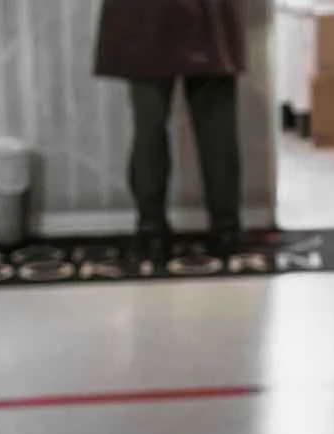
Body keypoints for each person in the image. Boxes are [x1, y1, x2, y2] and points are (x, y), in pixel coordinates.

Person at [93, 0, 246, 258]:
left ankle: (152, 231)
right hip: (210, 12)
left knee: (149, 128)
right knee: (216, 126)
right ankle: (226, 229)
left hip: (144, 14)